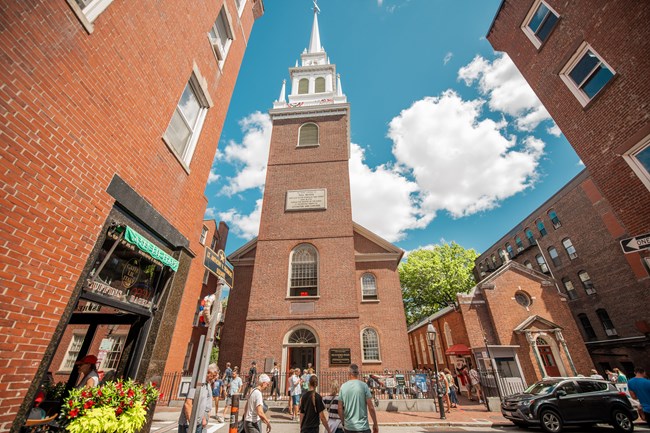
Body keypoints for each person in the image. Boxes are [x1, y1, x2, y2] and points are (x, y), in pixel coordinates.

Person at [339, 363, 379, 433]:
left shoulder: (343, 387)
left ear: (349, 373)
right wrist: (375, 423)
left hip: (348, 427)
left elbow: (339, 408)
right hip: (363, 427)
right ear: (358, 373)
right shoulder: (364, 386)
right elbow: (371, 407)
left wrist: (343, 422)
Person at [179, 364, 218, 433]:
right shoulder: (197, 383)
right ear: (208, 372)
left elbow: (202, 404)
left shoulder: (206, 384)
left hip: (199, 424)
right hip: (189, 425)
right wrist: (192, 425)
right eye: (214, 375)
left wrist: (203, 418)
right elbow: (188, 404)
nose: (215, 378)